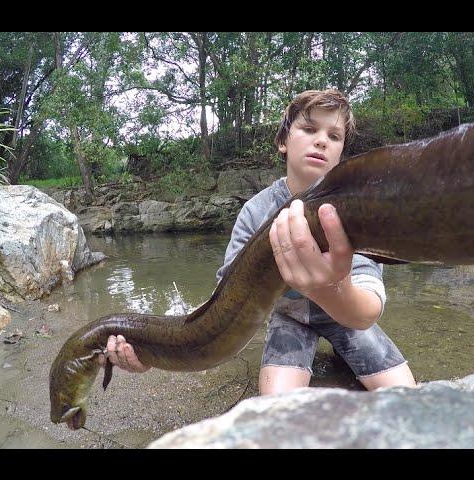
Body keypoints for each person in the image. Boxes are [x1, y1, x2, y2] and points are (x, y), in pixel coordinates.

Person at [97, 89, 416, 400]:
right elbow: (222, 305)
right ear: (283, 141)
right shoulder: (255, 211)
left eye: (334, 136)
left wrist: (326, 287)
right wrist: (152, 352)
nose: (321, 140)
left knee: (406, 394)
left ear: (341, 153)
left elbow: (366, 311)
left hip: (345, 315)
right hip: (290, 317)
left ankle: (341, 349)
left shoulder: (350, 212)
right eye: (308, 129)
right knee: (275, 404)